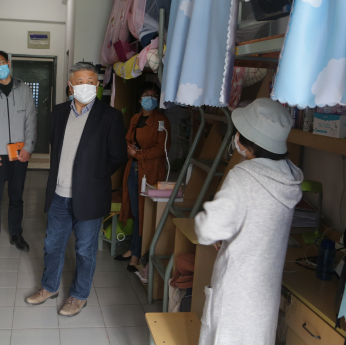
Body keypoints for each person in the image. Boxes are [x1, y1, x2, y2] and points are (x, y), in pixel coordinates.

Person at [194, 98, 303, 345]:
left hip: (235, 291)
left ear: (247, 142)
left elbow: (208, 228)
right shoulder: (289, 178)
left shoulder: (243, 177)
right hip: (265, 294)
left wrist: (210, 224)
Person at [25, 62, 127, 316]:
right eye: (80, 82)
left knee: (84, 250)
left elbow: (118, 155)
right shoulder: (59, 113)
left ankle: (79, 296)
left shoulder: (110, 116)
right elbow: (56, 145)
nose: (85, 86)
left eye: (90, 82)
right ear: (70, 87)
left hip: (90, 195)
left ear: (98, 85)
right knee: (52, 246)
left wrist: (95, 177)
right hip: (59, 194)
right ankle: (49, 287)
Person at [0, 50, 37, 253]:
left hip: (19, 153)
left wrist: (28, 147)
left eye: (2, 62)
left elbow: (31, 120)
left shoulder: (24, 89)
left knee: (16, 196)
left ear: (8, 64)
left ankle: (16, 234)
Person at [114, 82, 170, 272]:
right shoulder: (135, 118)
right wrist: (130, 149)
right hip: (133, 169)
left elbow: (162, 149)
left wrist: (138, 154)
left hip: (150, 170)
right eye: (146, 95)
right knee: (134, 209)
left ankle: (136, 254)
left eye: (153, 96)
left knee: (142, 212)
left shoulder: (162, 121)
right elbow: (128, 139)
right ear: (140, 99)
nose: (150, 99)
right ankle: (133, 248)